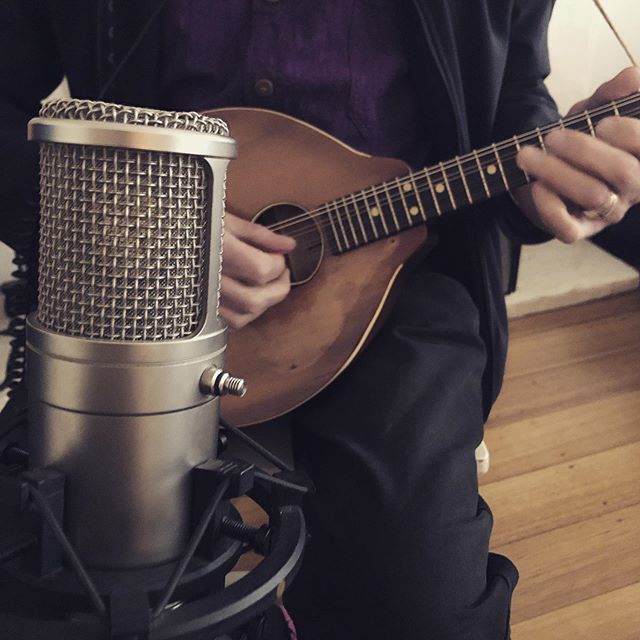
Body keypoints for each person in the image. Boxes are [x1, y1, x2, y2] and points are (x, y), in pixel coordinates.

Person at [1, 1, 638, 638]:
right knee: (61, 592)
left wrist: (553, 171)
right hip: (121, 269)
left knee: (417, 610)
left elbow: (512, 91)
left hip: (397, 284)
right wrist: (114, 216)